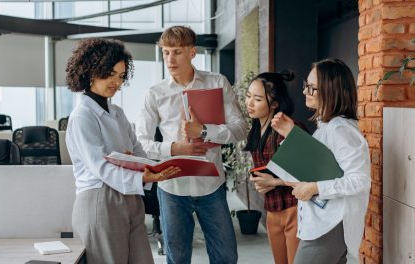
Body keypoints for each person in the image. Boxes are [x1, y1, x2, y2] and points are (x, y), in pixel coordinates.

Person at [136, 26, 247, 264]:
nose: (170, 59)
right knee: (177, 259)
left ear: (192, 52)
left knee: (226, 256)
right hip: (172, 187)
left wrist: (205, 131)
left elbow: (240, 129)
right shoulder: (155, 94)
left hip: (211, 186)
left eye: (176, 52)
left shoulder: (217, 83)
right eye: (166, 52)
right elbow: (141, 143)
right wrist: (175, 149)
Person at [65, 38, 180, 264]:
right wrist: (140, 174)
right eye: (110, 74)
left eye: (120, 76)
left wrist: (151, 169)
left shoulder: (117, 112)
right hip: (100, 200)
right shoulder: (82, 116)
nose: (116, 82)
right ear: (90, 72)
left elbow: (137, 149)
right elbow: (100, 166)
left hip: (130, 196)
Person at [270, 58, 371, 264]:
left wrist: (314, 187)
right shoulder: (327, 127)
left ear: (331, 90)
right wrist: (293, 137)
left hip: (329, 226)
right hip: (322, 223)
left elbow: (360, 181)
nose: (305, 92)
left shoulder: (341, 130)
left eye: (312, 88)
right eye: (306, 85)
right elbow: (323, 166)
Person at [245, 71, 303, 264]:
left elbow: (311, 176)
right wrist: (260, 182)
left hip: (295, 210)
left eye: (258, 99)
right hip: (272, 211)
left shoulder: (289, 129)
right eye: (248, 96)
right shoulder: (254, 132)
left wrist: (274, 181)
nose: (249, 103)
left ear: (275, 103)